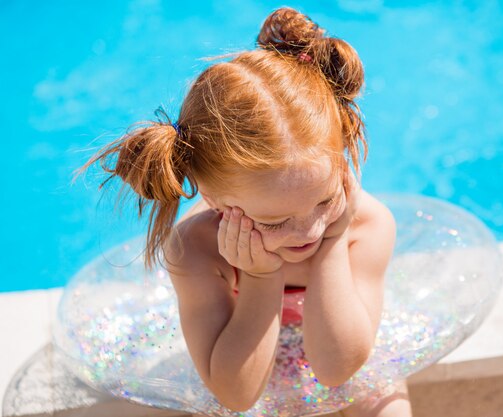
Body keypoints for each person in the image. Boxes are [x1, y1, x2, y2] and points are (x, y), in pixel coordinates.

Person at [83, 7, 411, 417]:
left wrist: (334, 242)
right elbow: (236, 394)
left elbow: (337, 369)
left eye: (324, 200)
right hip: (246, 357)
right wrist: (260, 276)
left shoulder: (365, 225)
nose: (309, 229)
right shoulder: (196, 249)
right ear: (216, 203)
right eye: (275, 221)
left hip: (344, 340)